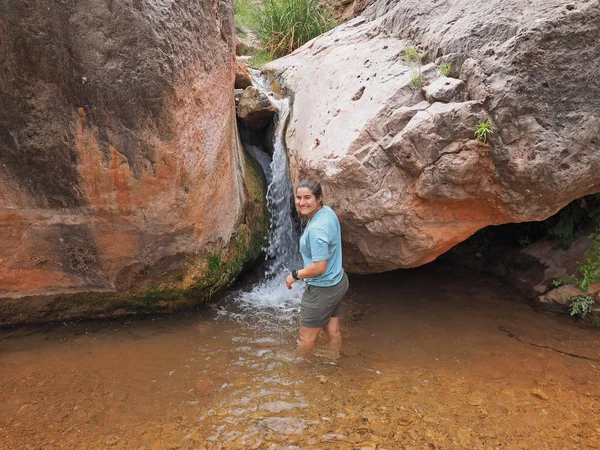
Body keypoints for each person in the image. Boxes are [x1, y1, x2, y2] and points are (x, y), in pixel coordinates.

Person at [285, 179, 349, 356]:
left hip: (322, 289)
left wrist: (295, 275)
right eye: (298, 197)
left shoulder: (316, 230)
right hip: (338, 282)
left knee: (306, 338)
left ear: (319, 198)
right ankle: (332, 361)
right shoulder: (327, 212)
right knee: (333, 331)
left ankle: (300, 375)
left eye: (307, 198)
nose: (301, 202)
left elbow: (320, 266)